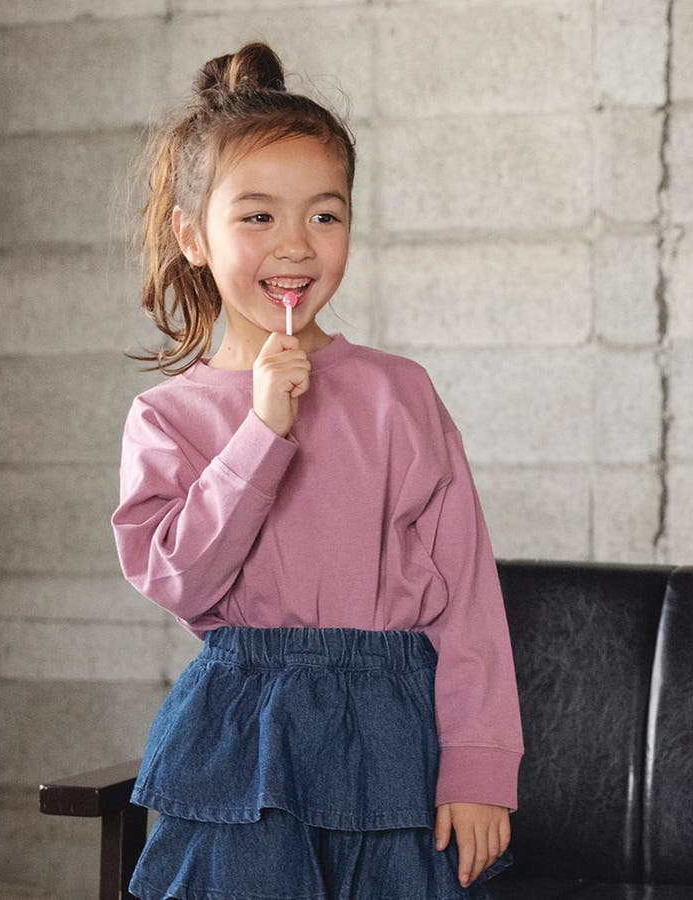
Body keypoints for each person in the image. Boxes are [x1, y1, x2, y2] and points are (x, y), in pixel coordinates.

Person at [111, 41, 524, 900]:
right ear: (192, 236)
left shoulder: (399, 394)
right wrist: (262, 430)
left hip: (395, 736)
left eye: (325, 217)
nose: (295, 245)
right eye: (258, 216)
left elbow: (467, 595)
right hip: (241, 737)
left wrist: (480, 766)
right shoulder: (167, 417)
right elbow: (180, 579)